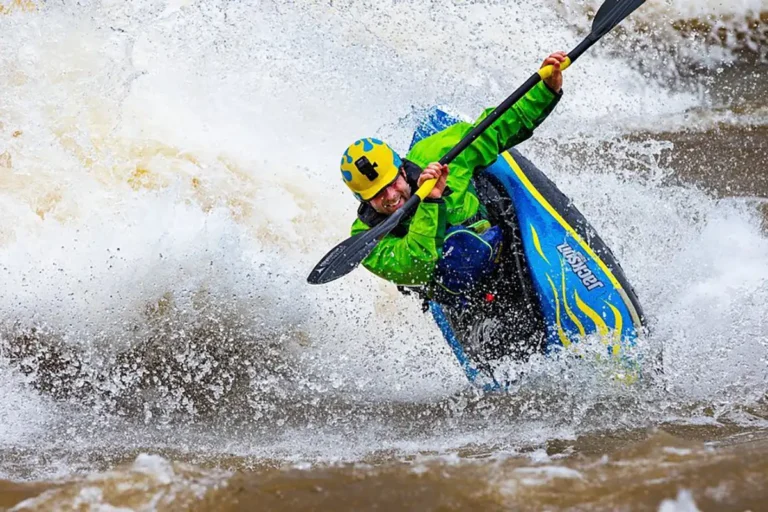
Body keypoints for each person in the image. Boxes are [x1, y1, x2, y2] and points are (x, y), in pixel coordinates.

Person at [339, 52, 567, 367]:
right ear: (363, 200)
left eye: (392, 183)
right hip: (465, 297)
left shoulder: (439, 153)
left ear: (402, 170)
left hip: (501, 250)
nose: (391, 197)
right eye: (377, 196)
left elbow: (497, 127)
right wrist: (431, 201)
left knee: (466, 237)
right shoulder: (366, 242)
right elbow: (418, 263)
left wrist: (547, 89)